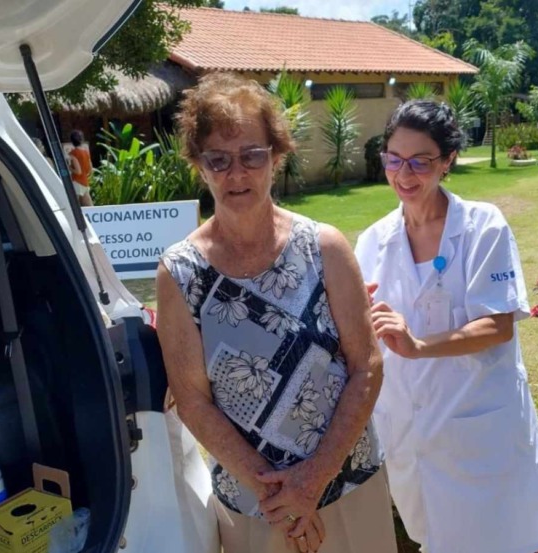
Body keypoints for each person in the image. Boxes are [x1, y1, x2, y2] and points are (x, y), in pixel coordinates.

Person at [156, 73, 396, 553]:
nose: (236, 173)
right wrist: (280, 496)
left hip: (348, 487)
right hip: (255, 507)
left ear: (277, 157)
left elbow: (366, 366)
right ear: (199, 166)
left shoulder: (324, 247)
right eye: (218, 159)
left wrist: (312, 480)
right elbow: (193, 401)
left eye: (252, 155)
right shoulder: (179, 272)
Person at [353, 100, 538, 553]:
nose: (404, 174)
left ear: (448, 161)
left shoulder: (483, 227)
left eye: (420, 161)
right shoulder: (372, 241)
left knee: (494, 540)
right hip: (408, 427)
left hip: (477, 424)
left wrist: (418, 345)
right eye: (394, 159)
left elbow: (497, 326)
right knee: (430, 537)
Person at [67, 130, 94, 207]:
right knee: (89, 206)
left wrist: (69, 167)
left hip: (77, 181)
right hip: (85, 181)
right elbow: (90, 170)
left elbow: (78, 171)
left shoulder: (73, 153)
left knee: (75, 206)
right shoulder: (86, 152)